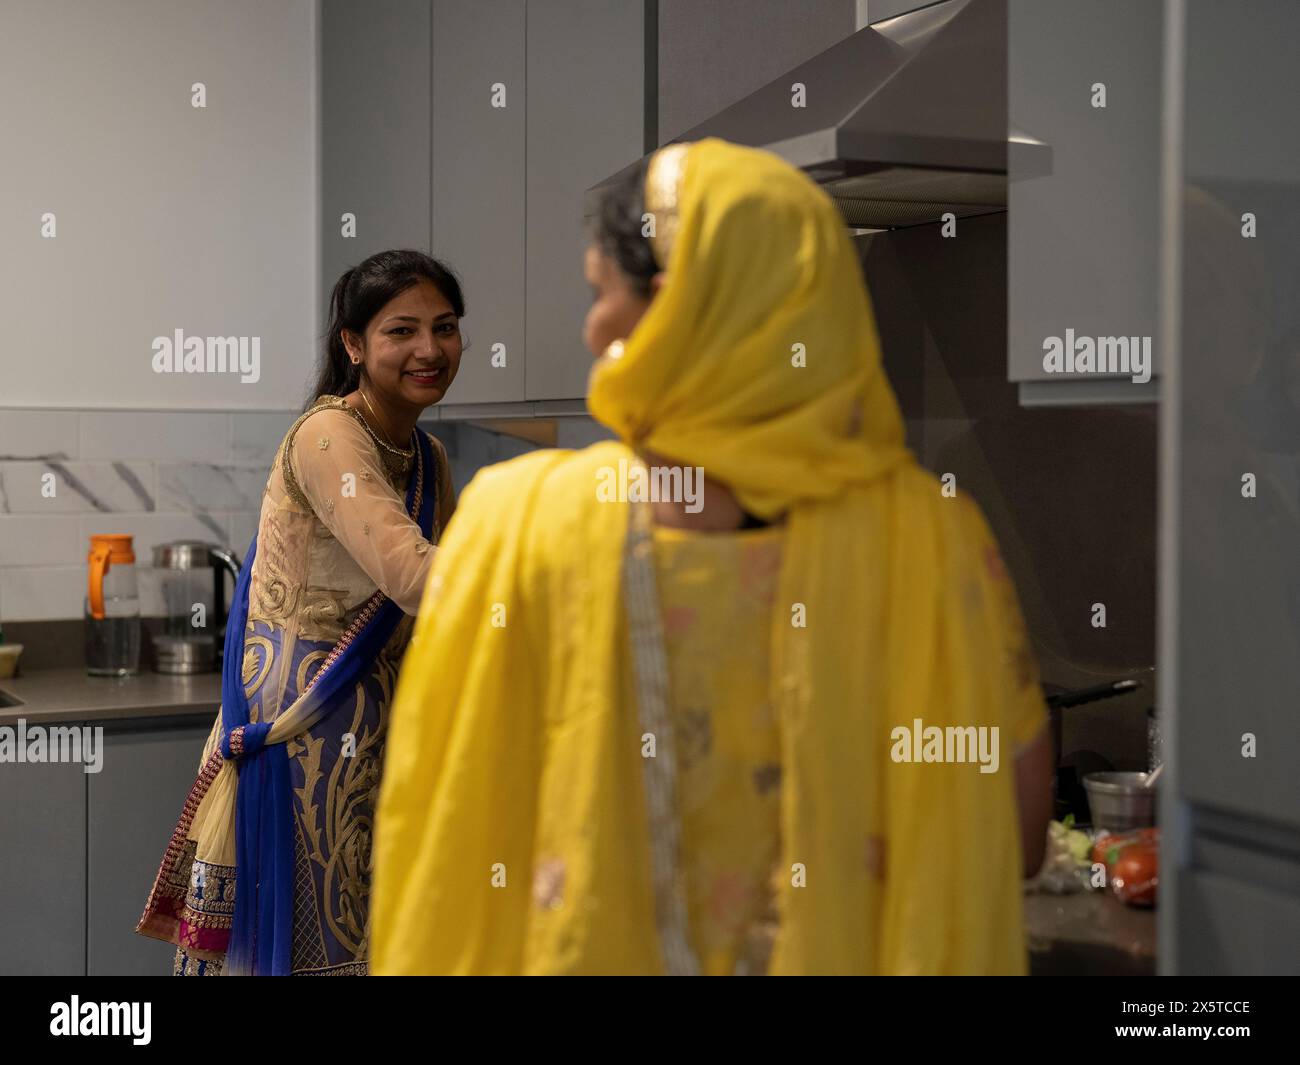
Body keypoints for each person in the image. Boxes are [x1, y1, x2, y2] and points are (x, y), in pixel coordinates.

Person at [371, 140, 1053, 975]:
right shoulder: (931, 539)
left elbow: (447, 841)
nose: (591, 327)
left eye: (600, 294)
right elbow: (1017, 835)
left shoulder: (522, 523)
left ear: (676, 309)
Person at [137, 249, 461, 975]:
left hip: (381, 736)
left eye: (444, 327)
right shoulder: (328, 436)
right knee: (311, 945)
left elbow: (457, 600)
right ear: (354, 344)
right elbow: (418, 577)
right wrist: (554, 552)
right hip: (304, 735)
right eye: (402, 330)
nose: (429, 349)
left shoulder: (427, 455)